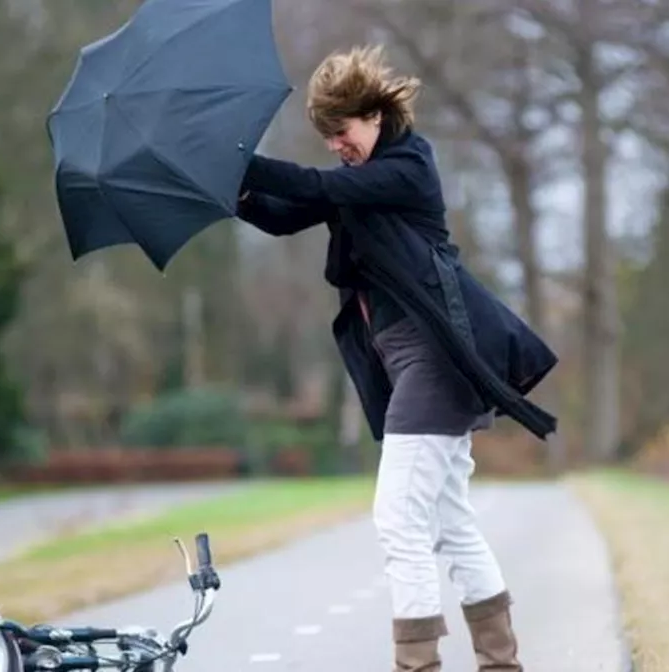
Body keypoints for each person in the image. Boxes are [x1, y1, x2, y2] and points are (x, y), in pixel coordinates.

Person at [234, 44, 558, 672]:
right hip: (411, 361)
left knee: (397, 520)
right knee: (448, 521)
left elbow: (314, 185)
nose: (336, 144)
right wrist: (229, 190)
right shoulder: (359, 182)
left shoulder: (407, 167)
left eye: (342, 131)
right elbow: (285, 214)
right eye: (326, 135)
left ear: (375, 116)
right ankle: (501, 663)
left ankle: (417, 666)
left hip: (435, 359)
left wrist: (240, 161)